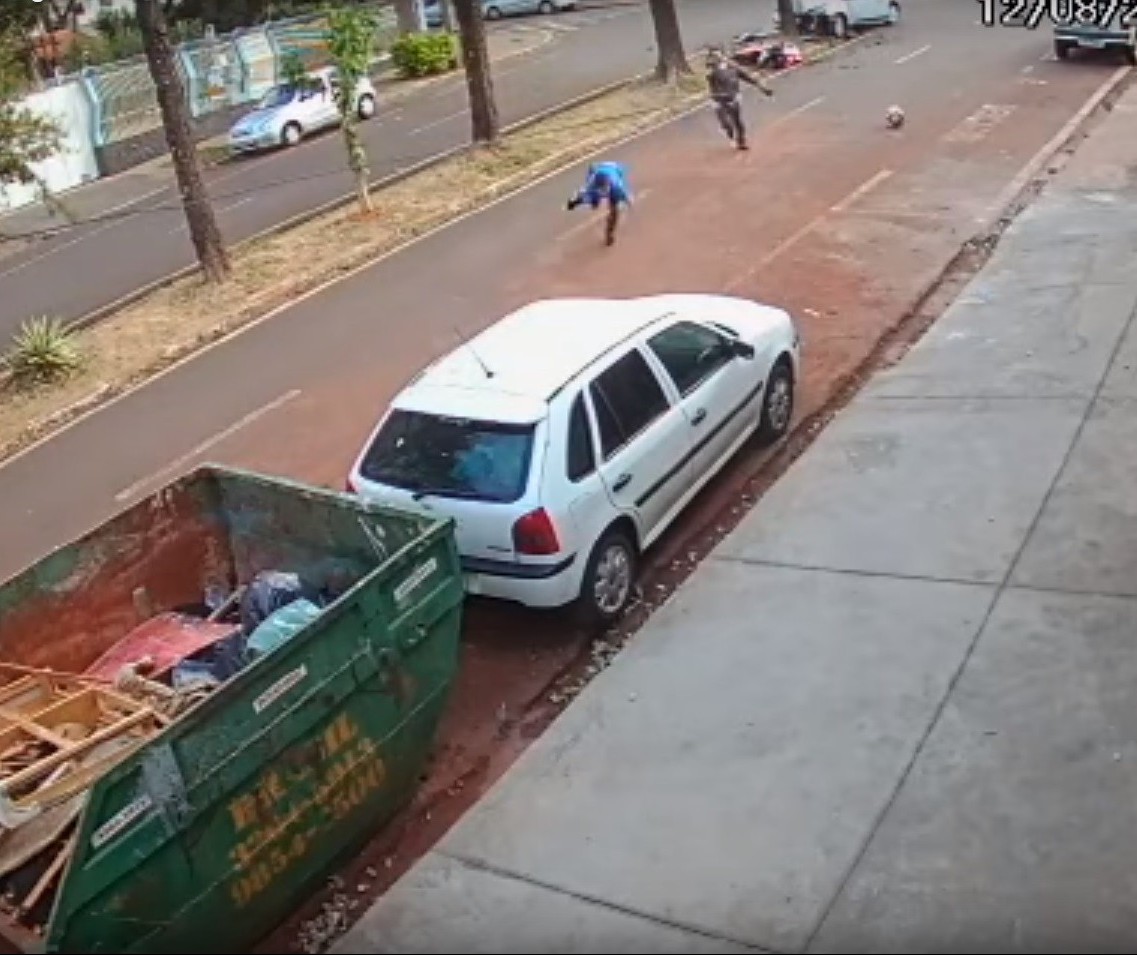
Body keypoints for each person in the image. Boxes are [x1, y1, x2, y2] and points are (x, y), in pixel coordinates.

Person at [705, 46, 772, 151]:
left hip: (733, 97)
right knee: (726, 123)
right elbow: (708, 75)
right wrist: (714, 67)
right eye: (714, 55)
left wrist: (762, 88)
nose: (717, 57)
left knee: (737, 121)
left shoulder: (733, 67)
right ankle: (729, 135)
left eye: (718, 54)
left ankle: (741, 141)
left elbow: (748, 77)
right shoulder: (711, 69)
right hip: (718, 100)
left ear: (723, 54)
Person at [566, 160, 632, 246]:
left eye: (604, 190)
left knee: (615, 211)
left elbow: (625, 195)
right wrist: (575, 201)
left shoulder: (616, 186)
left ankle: (609, 234)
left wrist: (627, 200)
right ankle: (586, 200)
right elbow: (585, 190)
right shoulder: (593, 181)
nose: (603, 193)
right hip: (599, 172)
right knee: (592, 198)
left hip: (612, 173)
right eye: (602, 190)